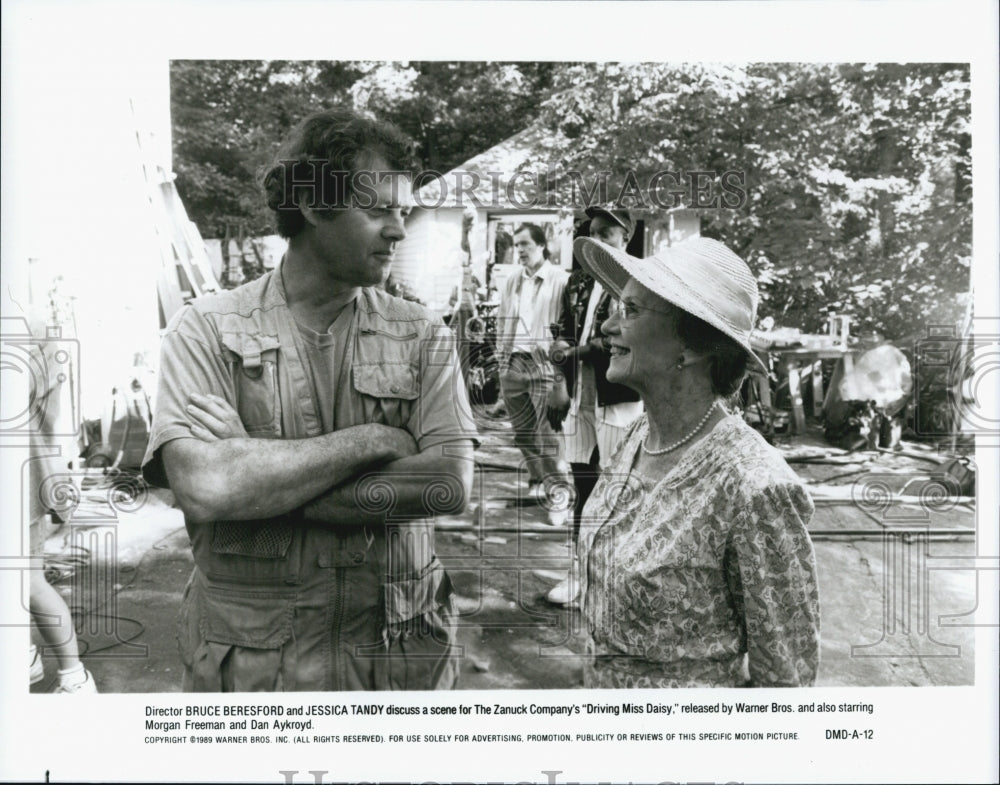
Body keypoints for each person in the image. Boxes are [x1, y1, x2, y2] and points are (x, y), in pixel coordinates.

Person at [142, 108, 477, 692]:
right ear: (316, 207)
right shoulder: (206, 329)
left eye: (403, 212)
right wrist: (376, 441)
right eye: (378, 211)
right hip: (258, 671)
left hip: (396, 662)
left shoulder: (424, 334)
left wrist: (257, 471)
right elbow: (205, 486)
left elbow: (447, 483)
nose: (398, 230)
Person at [573, 234, 820, 688]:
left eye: (630, 310)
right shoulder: (638, 436)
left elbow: (786, 682)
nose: (606, 327)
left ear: (692, 346)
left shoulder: (756, 487)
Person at [545, 208, 643, 604]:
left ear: (625, 237)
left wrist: (574, 353)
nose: (598, 240)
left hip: (618, 398)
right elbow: (562, 331)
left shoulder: (636, 282)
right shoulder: (579, 281)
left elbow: (626, 341)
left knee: (621, 489)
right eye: (593, 232)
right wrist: (557, 377)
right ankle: (580, 572)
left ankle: (619, 578)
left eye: (608, 233)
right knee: (583, 484)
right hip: (580, 396)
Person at [495, 223, 571, 526]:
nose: (520, 250)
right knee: (523, 434)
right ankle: (539, 479)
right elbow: (502, 321)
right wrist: (501, 362)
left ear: (542, 245)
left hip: (543, 367)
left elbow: (567, 330)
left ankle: (560, 497)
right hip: (513, 366)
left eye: (525, 244)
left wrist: (559, 375)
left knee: (549, 437)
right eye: (516, 245)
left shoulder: (560, 280)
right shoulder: (513, 280)